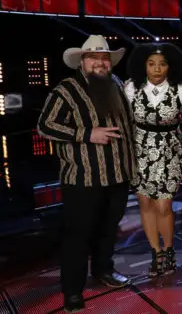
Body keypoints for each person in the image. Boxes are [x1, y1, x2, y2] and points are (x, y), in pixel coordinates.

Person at [37, 35, 134, 313]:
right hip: (83, 178)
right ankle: (72, 291)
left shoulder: (116, 84)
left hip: (118, 175)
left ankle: (104, 270)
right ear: (82, 61)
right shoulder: (66, 90)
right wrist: (87, 134)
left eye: (105, 58)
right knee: (78, 236)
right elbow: (45, 125)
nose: (100, 63)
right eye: (94, 58)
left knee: (108, 230)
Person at [124, 43, 182, 278]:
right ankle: (156, 253)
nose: (157, 69)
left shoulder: (181, 88)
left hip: (171, 151)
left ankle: (169, 250)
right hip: (140, 150)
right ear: (144, 66)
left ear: (170, 66)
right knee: (146, 204)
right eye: (151, 64)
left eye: (162, 64)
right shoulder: (131, 88)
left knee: (164, 205)